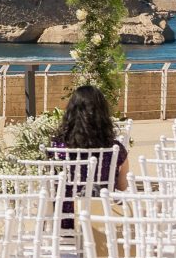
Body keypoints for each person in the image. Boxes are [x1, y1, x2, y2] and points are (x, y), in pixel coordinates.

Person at [50, 82, 130, 211]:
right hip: (100, 217)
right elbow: (123, 186)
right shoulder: (115, 149)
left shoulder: (57, 147)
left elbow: (50, 183)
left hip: (64, 216)